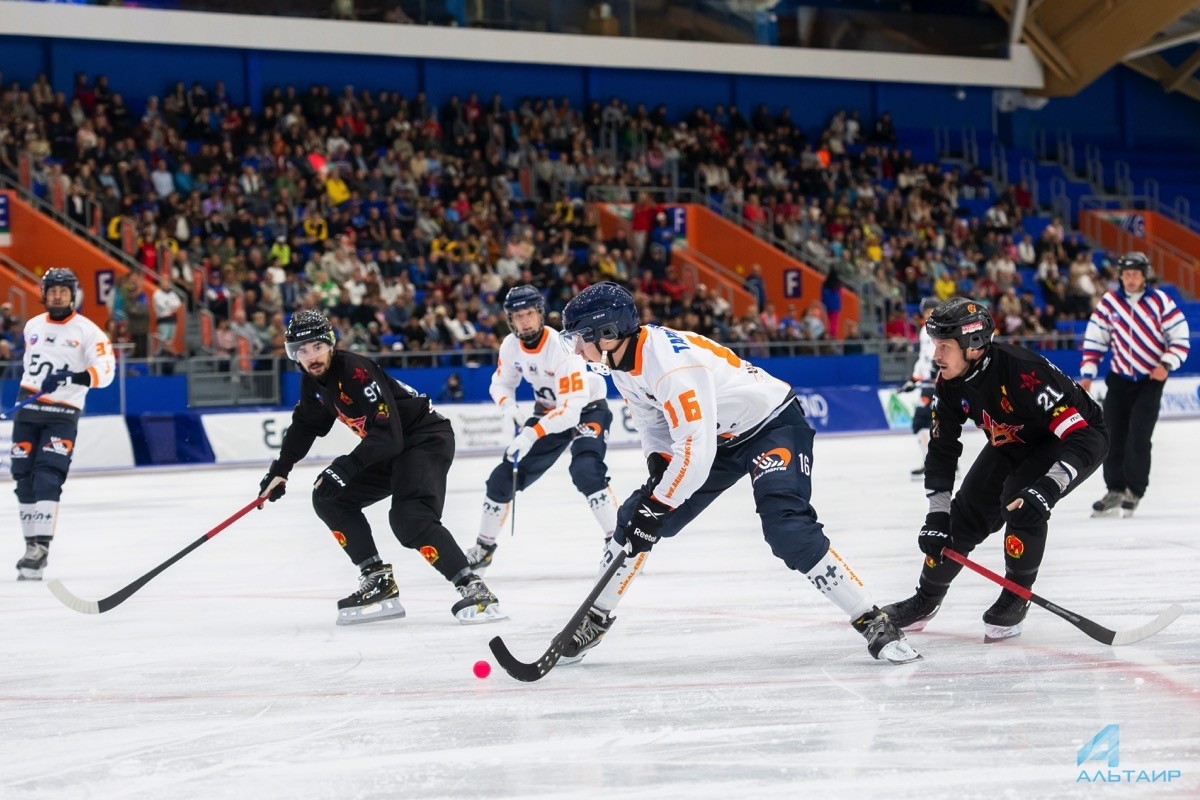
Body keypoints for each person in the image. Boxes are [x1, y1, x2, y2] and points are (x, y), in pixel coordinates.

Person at [557, 282, 920, 665]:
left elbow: (696, 450)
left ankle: (871, 618)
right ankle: (594, 617)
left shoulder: (669, 366)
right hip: (719, 436)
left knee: (787, 528)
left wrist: (660, 502)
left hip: (771, 425)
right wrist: (657, 468)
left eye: (581, 339)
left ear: (608, 333)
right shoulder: (620, 364)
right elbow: (652, 424)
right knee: (634, 516)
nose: (578, 350)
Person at [257, 309, 505, 626]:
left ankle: (474, 588)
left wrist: (347, 466)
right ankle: (377, 580)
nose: (311, 357)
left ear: (330, 344)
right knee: (329, 497)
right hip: (391, 446)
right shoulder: (313, 383)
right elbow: (305, 425)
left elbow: (388, 435)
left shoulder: (356, 372)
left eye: (317, 347)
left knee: (409, 519)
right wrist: (281, 470)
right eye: (302, 351)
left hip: (424, 439)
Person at [882, 298, 1108, 641]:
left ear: (973, 346)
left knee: (1023, 503)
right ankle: (926, 599)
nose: (936, 356)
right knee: (961, 517)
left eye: (944, 346)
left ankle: (1016, 595)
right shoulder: (950, 383)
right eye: (934, 345)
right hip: (1011, 442)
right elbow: (942, 450)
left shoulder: (1023, 372)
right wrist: (936, 515)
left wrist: (1048, 488)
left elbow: (1085, 437)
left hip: (1065, 441)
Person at [465, 285, 617, 571]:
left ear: (540, 314)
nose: (524, 321)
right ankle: (484, 548)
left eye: (529, 314)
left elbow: (571, 412)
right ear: (510, 319)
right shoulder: (510, 346)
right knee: (503, 476)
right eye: (517, 315)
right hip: (549, 413)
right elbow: (501, 383)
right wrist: (509, 408)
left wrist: (531, 433)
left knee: (586, 470)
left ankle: (619, 544)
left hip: (586, 409)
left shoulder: (561, 347)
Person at [12, 268, 115, 580]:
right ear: (44, 294)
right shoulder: (32, 325)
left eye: (63, 290)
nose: (57, 295)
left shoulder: (89, 331)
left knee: (47, 476)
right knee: (23, 479)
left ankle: (41, 547)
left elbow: (105, 372)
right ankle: (32, 547)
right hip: (27, 410)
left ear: (74, 295)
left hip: (63, 413)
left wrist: (73, 377)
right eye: (52, 290)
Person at [1079, 252, 1190, 518]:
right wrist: (1087, 374)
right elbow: (1095, 340)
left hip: (1149, 380)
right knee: (1112, 435)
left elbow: (1180, 337)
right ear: (1120, 276)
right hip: (1118, 379)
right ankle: (1115, 489)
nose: (1130, 279)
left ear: (1144, 275)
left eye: (1135, 274)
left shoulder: (1160, 301)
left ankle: (1135, 490)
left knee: (1139, 435)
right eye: (1126, 275)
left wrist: (1166, 363)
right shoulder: (1109, 303)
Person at [900, 296, 940, 479]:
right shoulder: (925, 330)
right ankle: (943, 462)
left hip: (937, 383)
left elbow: (937, 356)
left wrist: (934, 372)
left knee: (921, 422)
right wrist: (914, 379)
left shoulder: (939, 329)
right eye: (926, 312)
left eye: (932, 311)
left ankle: (932, 463)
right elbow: (924, 358)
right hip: (931, 382)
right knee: (934, 424)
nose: (929, 315)